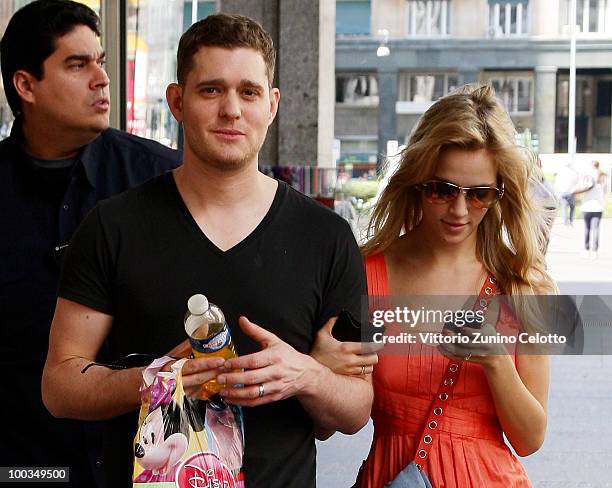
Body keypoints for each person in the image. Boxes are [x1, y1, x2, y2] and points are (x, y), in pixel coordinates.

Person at [41, 13, 372, 488]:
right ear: (177, 101)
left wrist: (306, 375)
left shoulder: (331, 237)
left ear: (273, 104)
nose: (231, 110)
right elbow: (59, 386)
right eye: (211, 90)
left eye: (249, 92)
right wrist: (159, 379)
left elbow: (359, 409)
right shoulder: (112, 225)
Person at [312, 85, 556, 487]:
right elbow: (326, 428)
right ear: (417, 181)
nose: (460, 211)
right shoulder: (365, 271)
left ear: (499, 194)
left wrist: (497, 362)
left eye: (479, 195)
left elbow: (530, 439)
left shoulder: (520, 283)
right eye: (443, 190)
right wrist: (322, 372)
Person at [0, 1, 181, 486]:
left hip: (152, 461)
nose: (101, 79)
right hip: (28, 465)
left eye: (100, 61)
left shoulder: (161, 178)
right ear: (25, 85)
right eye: (77, 65)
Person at [578, 160, 607, 260]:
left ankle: (586, 250)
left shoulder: (587, 179)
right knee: (596, 229)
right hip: (598, 208)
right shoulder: (602, 181)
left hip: (586, 207)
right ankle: (594, 251)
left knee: (587, 228)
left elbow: (581, 189)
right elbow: (605, 192)